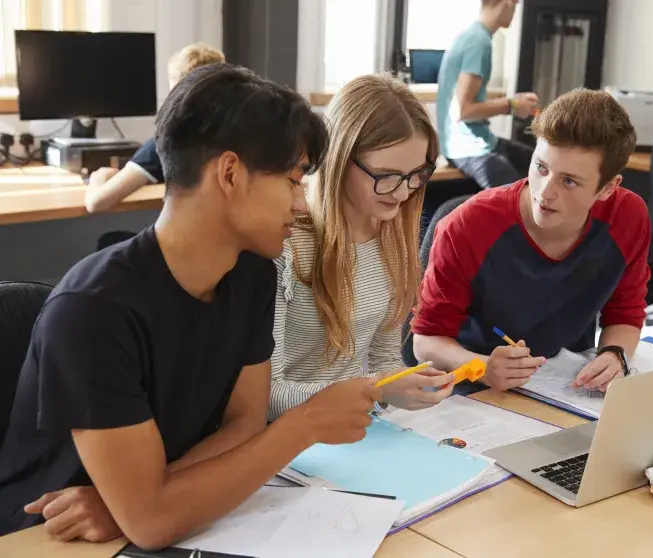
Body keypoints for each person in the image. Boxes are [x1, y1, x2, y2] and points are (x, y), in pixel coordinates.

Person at [0, 64, 381, 548]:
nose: (302, 205)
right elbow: (153, 524)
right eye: (292, 180)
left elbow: (243, 424)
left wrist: (138, 502)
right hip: (49, 536)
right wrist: (302, 426)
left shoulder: (252, 274)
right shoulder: (91, 311)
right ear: (229, 173)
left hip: (168, 517)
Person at [411, 88, 648, 394]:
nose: (546, 192)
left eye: (570, 181)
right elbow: (425, 342)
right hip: (476, 388)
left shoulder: (628, 216)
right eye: (541, 167)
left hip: (566, 384)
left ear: (607, 188)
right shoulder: (468, 225)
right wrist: (482, 368)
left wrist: (615, 354)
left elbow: (626, 313)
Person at [268, 74, 455, 420]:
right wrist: (377, 388)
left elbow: (384, 362)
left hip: (354, 430)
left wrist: (403, 386)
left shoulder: (391, 239)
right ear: (339, 160)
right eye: (386, 175)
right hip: (287, 441)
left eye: (417, 174)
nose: (402, 193)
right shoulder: (285, 245)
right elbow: (266, 396)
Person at [85, 43, 225, 216]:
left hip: (183, 241)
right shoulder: (241, 134)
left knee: (110, 240)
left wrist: (97, 179)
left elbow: (96, 203)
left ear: (178, 90)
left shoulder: (170, 141)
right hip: (231, 240)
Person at [436, 0, 539, 189]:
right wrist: (512, 105)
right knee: (519, 195)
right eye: (516, 4)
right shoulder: (479, 42)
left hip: (475, 141)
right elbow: (464, 110)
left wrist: (514, 101)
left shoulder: (472, 35)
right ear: (507, 3)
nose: (515, 11)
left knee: (540, 163)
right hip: (467, 147)